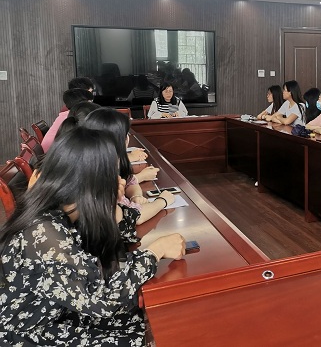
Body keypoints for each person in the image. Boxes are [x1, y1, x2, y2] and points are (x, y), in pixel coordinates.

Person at [0, 126, 185, 346]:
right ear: (91, 182)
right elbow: (101, 300)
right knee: (146, 333)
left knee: (145, 318)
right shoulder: (43, 232)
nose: (121, 182)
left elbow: (123, 232)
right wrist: (155, 252)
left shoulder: (69, 208)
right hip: (32, 332)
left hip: (62, 310)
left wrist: (111, 205)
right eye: (112, 175)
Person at [83, 108, 170, 224]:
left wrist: (135, 196)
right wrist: (162, 200)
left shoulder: (96, 162)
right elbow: (134, 217)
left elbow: (129, 180)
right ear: (123, 140)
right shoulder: (99, 176)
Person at [42, 88, 94, 152]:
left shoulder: (67, 114)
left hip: (51, 151)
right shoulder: (74, 117)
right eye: (90, 102)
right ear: (83, 103)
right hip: (53, 152)